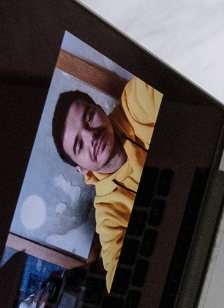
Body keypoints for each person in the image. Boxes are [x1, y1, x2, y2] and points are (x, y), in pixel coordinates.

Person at [49, 77, 163, 290]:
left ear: (100, 108)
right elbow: (119, 282)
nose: (91, 136)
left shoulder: (134, 101)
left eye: (89, 118)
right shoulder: (107, 213)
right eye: (79, 145)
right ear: (81, 169)